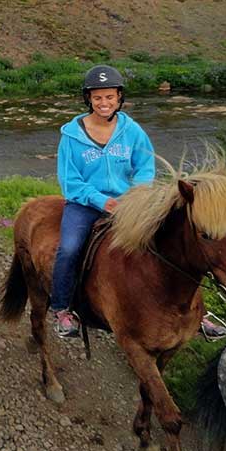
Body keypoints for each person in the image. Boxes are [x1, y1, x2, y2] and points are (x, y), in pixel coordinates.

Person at [51, 65, 156, 338]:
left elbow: (145, 165)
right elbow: (69, 180)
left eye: (109, 97)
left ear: (119, 97)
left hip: (128, 202)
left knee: (165, 240)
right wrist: (101, 201)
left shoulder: (132, 130)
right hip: (84, 204)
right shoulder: (71, 136)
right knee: (69, 248)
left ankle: (196, 312)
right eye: (97, 98)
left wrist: (138, 194)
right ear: (88, 99)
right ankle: (62, 308)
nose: (104, 103)